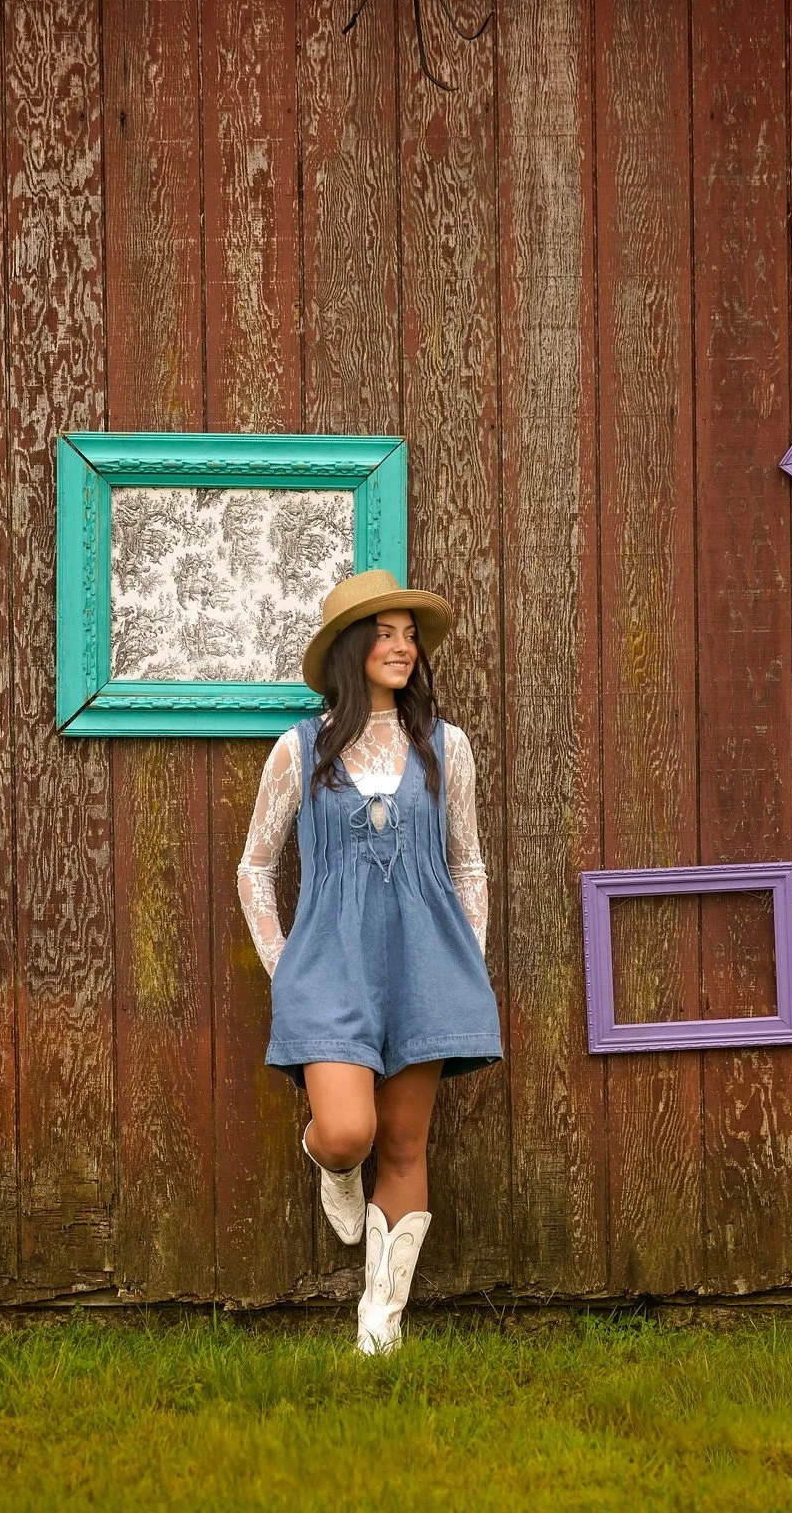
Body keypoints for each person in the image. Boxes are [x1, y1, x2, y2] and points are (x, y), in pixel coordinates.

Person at [237, 568, 503, 1353]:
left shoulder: (447, 747)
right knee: (350, 1131)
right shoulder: (300, 749)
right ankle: (330, 1162)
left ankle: (379, 1325)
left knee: (405, 1143)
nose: (402, 647)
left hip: (431, 965)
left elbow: (470, 866)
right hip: (327, 967)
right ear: (351, 648)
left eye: (409, 634)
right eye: (383, 633)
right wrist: (285, 966)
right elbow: (255, 868)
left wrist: (467, 962)